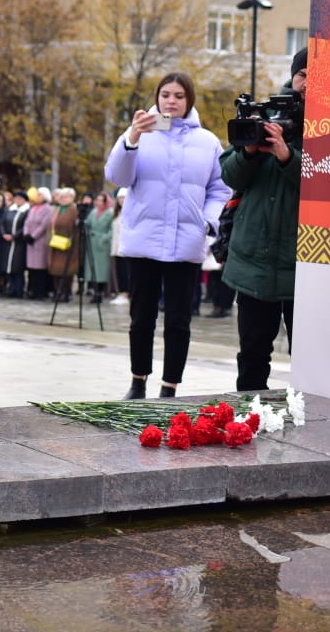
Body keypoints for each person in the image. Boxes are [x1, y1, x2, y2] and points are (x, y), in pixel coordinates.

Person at [104, 71, 231, 399]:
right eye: (165, 95)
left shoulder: (207, 142)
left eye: (178, 96)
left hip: (186, 241)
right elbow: (117, 176)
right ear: (157, 97)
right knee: (141, 317)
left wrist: (207, 223)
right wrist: (131, 138)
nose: (170, 101)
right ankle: (138, 381)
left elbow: (220, 189)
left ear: (189, 100)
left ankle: (170, 386)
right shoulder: (141, 133)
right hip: (143, 240)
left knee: (178, 319)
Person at [220, 47, 307, 391]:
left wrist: (288, 156)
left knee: (309, 356)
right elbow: (230, 175)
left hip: (304, 263)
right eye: (302, 75)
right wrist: (250, 152)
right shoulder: (263, 114)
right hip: (254, 259)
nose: (306, 84)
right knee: (252, 355)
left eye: (316, 77)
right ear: (292, 75)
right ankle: (248, 421)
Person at [47, 187, 80, 303]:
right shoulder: (57, 209)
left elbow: (76, 228)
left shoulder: (73, 209)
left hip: (67, 243)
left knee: (66, 270)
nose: (62, 199)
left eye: (65, 197)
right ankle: (58, 291)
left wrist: (73, 241)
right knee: (55, 270)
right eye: (61, 197)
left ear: (72, 197)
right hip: (56, 242)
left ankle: (66, 292)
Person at [84, 191, 115, 303]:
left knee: (101, 270)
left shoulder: (110, 213)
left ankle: (99, 293)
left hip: (102, 244)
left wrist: (105, 238)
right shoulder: (93, 212)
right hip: (92, 242)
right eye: (97, 200)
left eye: (101, 200)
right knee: (93, 269)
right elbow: (88, 223)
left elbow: (112, 229)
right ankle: (94, 291)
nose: (98, 202)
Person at [23, 187, 53, 299]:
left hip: (40, 242)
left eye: (40, 195)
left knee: (40, 269)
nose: (37, 197)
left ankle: (40, 292)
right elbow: (27, 222)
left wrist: (33, 236)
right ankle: (32, 291)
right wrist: (26, 234)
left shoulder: (48, 209)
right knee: (31, 269)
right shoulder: (33, 208)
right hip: (30, 243)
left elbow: (44, 225)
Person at [1, 189, 30, 299]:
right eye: (16, 198)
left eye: (20, 198)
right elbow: (2, 224)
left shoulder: (26, 211)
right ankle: (11, 289)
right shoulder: (10, 210)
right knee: (9, 268)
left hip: (19, 243)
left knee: (18, 268)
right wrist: (4, 234)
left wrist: (14, 236)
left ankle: (19, 290)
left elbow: (25, 226)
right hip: (7, 243)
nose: (17, 200)